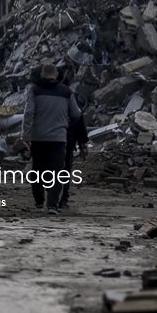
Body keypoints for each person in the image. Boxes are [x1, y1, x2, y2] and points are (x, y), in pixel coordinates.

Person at [20, 63, 83, 215]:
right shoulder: (66, 91)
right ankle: (53, 205)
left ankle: (39, 204)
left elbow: (29, 114)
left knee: (37, 170)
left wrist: (26, 135)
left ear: (42, 74)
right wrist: (66, 124)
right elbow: (76, 114)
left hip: (38, 138)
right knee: (57, 171)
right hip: (58, 139)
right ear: (56, 75)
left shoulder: (34, 90)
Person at [58, 70, 89, 209]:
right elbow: (78, 118)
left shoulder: (42, 94)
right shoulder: (71, 96)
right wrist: (83, 141)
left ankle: (53, 197)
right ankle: (62, 198)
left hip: (49, 138)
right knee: (65, 169)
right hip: (68, 138)